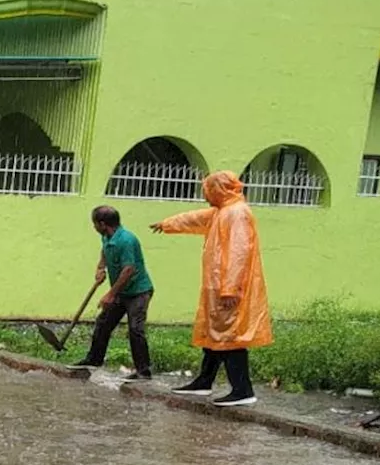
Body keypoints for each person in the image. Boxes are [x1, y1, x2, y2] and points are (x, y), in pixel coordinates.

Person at [151, 170, 272, 407]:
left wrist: (231, 289)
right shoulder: (223, 211)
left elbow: (239, 253)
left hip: (227, 288)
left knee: (230, 337)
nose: (205, 196)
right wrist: (167, 224)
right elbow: (195, 219)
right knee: (213, 335)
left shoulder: (237, 214)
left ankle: (242, 390)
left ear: (219, 189)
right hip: (216, 286)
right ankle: (204, 381)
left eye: (208, 190)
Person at [70, 205, 156, 380]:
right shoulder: (107, 236)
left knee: (135, 329)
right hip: (121, 292)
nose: (93, 227)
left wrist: (110, 294)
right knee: (103, 323)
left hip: (138, 292)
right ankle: (94, 359)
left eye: (94, 224)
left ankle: (143, 371)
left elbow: (128, 270)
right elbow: (105, 251)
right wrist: (101, 267)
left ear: (102, 224)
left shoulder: (126, 240)